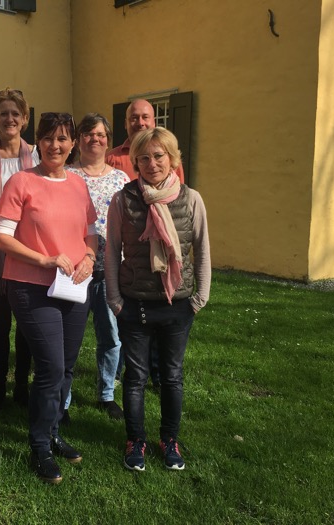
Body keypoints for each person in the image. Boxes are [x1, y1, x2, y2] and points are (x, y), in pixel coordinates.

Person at [0, 112, 98, 484]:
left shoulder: (78, 184)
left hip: (74, 286)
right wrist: (45, 259)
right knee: (51, 366)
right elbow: (1, 237)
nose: (56, 145)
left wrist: (89, 257)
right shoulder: (21, 182)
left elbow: (90, 232)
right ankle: (39, 445)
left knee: (66, 366)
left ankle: (53, 432)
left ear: (73, 144)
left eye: (63, 138)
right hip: (31, 286)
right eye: (49, 138)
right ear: (38, 141)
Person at [105, 127, 210, 473]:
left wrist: (199, 298)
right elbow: (112, 251)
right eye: (144, 157)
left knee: (172, 376)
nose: (152, 163)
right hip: (134, 304)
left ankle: (169, 440)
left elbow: (202, 251)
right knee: (135, 377)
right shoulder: (122, 200)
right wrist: (115, 300)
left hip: (177, 305)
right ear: (136, 162)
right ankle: (135, 440)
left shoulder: (191, 199)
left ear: (172, 158)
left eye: (159, 156)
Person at [106, 99, 185, 389]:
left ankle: (158, 373)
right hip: (129, 239)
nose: (139, 122)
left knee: (160, 309)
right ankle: (125, 371)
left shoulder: (166, 155)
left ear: (153, 121)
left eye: (145, 117)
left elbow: (177, 196)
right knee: (130, 319)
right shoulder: (113, 157)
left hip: (160, 243)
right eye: (134, 118)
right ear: (126, 123)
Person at [0, 88, 38, 413]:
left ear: (24, 119)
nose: (9, 119)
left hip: (30, 250)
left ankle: (22, 387)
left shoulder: (37, 156)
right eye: (3, 114)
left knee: (26, 323)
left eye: (15, 113)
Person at [67, 113, 130, 421]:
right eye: (88, 133)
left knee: (111, 337)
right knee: (68, 340)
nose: (95, 139)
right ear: (79, 140)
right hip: (74, 272)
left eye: (101, 134)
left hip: (111, 271)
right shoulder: (66, 175)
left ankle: (106, 394)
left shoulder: (121, 179)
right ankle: (63, 399)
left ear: (108, 140)